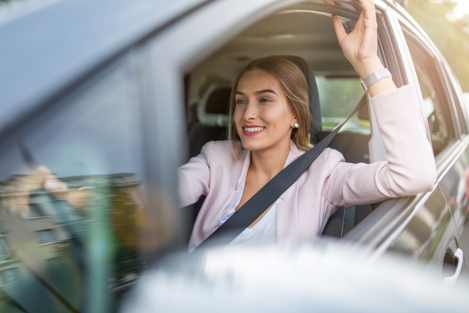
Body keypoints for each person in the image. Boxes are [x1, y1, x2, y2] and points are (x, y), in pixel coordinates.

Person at [179, 0, 436, 250]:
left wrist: (369, 63)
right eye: (240, 102)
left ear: (295, 114)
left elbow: (413, 175)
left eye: (265, 100)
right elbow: (165, 195)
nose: (247, 114)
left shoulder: (324, 172)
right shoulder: (215, 158)